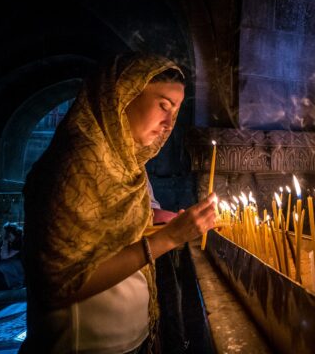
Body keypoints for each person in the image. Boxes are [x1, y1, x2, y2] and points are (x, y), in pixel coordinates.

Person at [21, 53, 217, 353]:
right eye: (163, 106)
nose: (168, 123)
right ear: (122, 97)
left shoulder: (127, 165)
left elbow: (118, 228)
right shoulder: (75, 165)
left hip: (131, 340)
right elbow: (59, 286)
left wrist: (169, 223)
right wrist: (168, 238)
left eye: (175, 112)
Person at [0, 222, 24, 289]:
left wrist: (5, 240)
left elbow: (4, 256)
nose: (1, 233)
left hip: (19, 269)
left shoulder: (19, 241)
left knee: (3, 264)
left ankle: (17, 284)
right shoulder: (6, 241)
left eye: (3, 231)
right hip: (10, 268)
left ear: (9, 232)